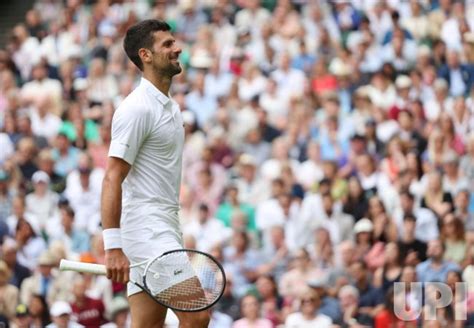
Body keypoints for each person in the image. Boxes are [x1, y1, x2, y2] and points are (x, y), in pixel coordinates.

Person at [100, 19, 210, 327]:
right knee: (198, 317)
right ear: (145, 55)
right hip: (148, 233)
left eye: (174, 42)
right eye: (167, 44)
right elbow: (111, 176)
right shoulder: (136, 108)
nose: (178, 48)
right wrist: (113, 247)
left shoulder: (170, 107)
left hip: (164, 226)